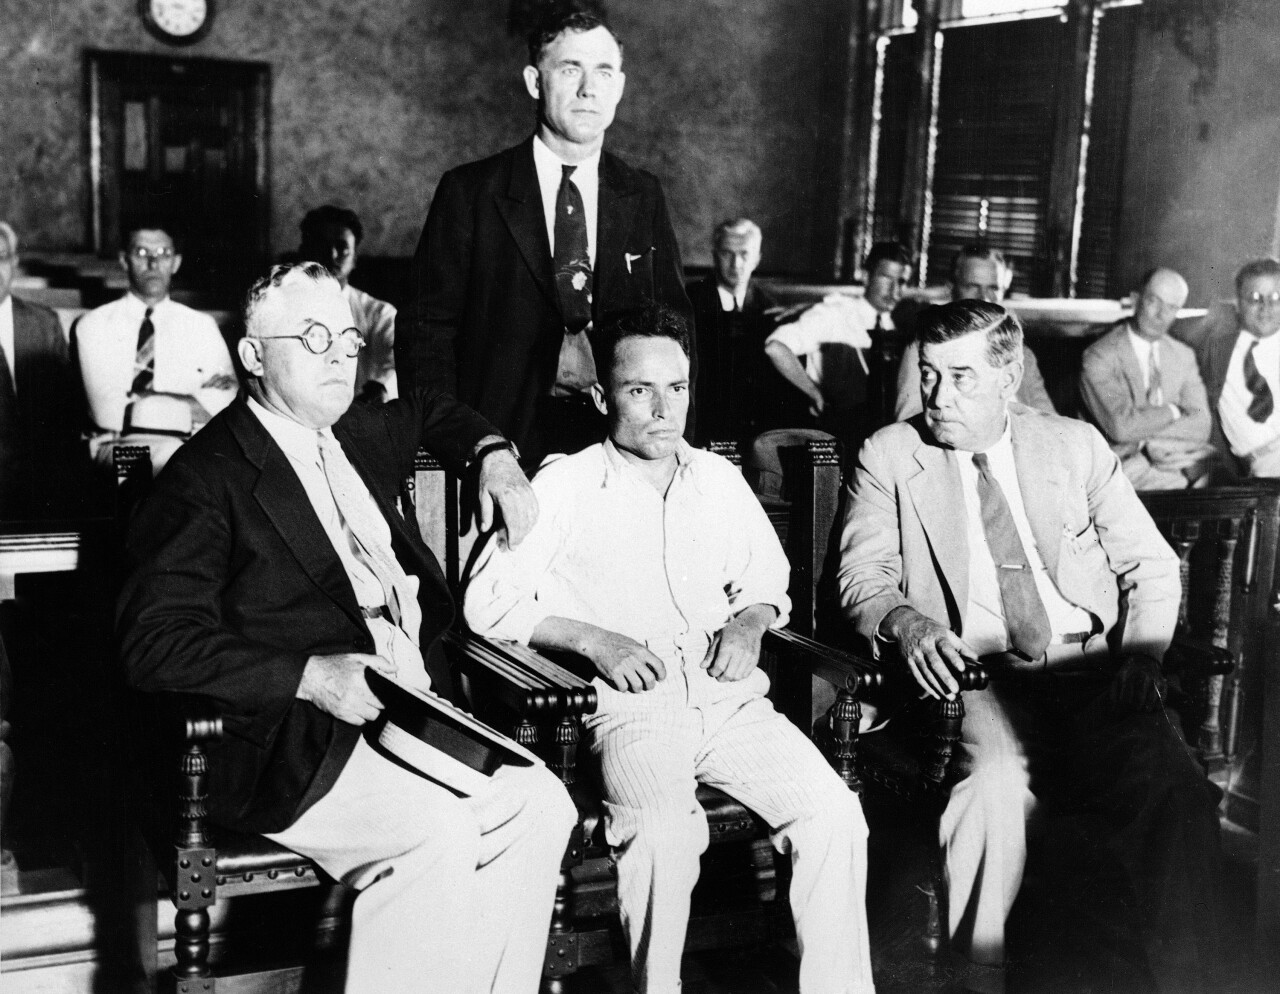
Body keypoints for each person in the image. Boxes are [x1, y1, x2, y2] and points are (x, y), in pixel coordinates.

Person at [118, 262, 575, 994]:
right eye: (313, 336)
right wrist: (311, 677)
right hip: (287, 741)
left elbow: (432, 408)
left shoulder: (357, 431)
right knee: (439, 835)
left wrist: (492, 454)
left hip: (409, 711)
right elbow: (153, 642)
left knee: (545, 804)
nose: (339, 354)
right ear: (254, 355)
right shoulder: (205, 480)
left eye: (349, 339)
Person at [465, 306, 874, 994]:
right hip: (634, 709)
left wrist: (749, 624)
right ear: (601, 397)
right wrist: (591, 638)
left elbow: (768, 580)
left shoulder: (715, 478)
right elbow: (487, 604)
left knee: (836, 816)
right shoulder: (565, 484)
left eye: (676, 389)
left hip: (729, 702)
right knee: (662, 834)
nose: (662, 410)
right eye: (638, 390)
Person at [837, 299, 1222, 994]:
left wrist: (1142, 655)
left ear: (1009, 377)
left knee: (1179, 790)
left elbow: (1152, 565)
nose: (937, 397)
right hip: (976, 677)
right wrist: (908, 623)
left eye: (960, 377)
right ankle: (978, 976)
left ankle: (1185, 977)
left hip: (1094, 669)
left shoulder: (1072, 445)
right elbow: (863, 579)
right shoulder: (891, 454)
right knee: (996, 787)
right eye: (928, 375)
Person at [396, 9, 693, 469]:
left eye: (603, 72)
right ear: (536, 82)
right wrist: (467, 445)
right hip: (501, 452)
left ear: (619, 86)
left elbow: (677, 329)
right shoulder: (471, 192)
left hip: (619, 453)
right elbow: (426, 338)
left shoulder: (642, 194)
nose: (588, 88)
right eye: (570, 69)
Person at [74, 225, 237, 474]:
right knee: (165, 471)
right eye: (141, 252)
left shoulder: (202, 326)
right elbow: (107, 413)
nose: (153, 263)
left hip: (192, 445)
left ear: (176, 263)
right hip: (116, 444)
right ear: (124, 260)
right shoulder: (93, 325)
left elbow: (226, 402)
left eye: (163, 253)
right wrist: (192, 401)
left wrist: (142, 400)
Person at [764, 241, 910, 449]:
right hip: (834, 434)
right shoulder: (834, 314)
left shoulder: (895, 327)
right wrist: (813, 392)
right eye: (886, 278)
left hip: (877, 439)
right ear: (866, 276)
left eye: (902, 281)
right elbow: (775, 347)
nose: (895, 290)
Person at [1080, 267, 1215, 489]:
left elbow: (1202, 424)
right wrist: (1175, 411)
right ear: (1136, 300)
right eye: (1154, 301)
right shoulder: (1099, 356)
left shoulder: (1183, 355)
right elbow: (1121, 428)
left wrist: (1148, 441)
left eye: (1171, 307)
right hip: (1123, 465)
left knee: (1221, 482)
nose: (1161, 315)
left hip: (1179, 457)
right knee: (1189, 491)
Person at [893, 245, 1054, 421]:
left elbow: (1052, 422)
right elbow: (907, 424)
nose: (983, 298)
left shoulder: (1022, 355)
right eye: (972, 286)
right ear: (952, 287)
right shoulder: (925, 348)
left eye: (993, 288)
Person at [0, 221, 87, 518]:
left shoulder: (43, 323)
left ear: (13, 263)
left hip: (38, 480)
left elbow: (67, 412)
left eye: (0, 258)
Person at [687, 218, 791, 446]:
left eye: (744, 254)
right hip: (701, 429)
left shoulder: (771, 309)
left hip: (755, 432)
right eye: (727, 253)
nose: (736, 264)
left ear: (757, 259)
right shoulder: (689, 303)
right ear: (715, 256)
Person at [298, 204, 398, 403]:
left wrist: (380, 387)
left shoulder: (378, 313)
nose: (332, 256)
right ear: (305, 252)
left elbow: (396, 360)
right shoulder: (284, 309)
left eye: (342, 248)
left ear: (355, 258)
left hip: (362, 415)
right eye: (322, 246)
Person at [1202, 257, 1280, 477]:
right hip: (1260, 466)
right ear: (1238, 302)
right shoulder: (1217, 349)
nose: (1266, 307)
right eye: (1255, 298)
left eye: (1275, 297)